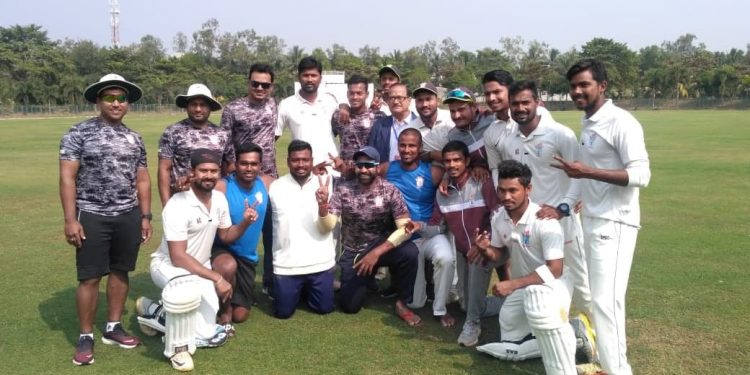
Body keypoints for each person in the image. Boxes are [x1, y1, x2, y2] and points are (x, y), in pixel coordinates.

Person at [553, 58, 651, 375]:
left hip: (616, 222)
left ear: (602, 86)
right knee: (602, 302)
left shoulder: (621, 122)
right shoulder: (589, 122)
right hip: (593, 220)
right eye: (573, 86)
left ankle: (618, 370)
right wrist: (564, 207)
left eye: (584, 84)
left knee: (606, 304)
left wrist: (587, 170)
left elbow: (641, 175)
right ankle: (612, 367)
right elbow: (581, 179)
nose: (577, 91)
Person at [136, 149, 261, 371]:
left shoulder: (219, 199)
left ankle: (155, 314)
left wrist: (244, 223)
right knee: (186, 295)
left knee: (206, 329)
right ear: (192, 172)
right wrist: (217, 278)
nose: (209, 176)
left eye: (213, 171)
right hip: (169, 267)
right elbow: (178, 256)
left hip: (199, 269)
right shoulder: (177, 204)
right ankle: (177, 350)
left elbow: (225, 235)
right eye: (203, 170)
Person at [59, 73, 152, 366]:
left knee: (121, 271)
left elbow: (143, 180)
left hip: (127, 214)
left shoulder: (134, 138)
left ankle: (113, 327)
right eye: (109, 97)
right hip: (92, 214)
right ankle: (86, 335)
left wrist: (146, 216)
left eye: (121, 98)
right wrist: (70, 219)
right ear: (98, 100)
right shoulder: (78, 133)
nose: (116, 103)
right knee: (89, 277)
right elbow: (67, 177)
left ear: (128, 104)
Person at [500, 80, 593, 322]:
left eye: (525, 102)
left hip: (561, 221)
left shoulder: (561, 134)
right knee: (535, 278)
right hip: (530, 225)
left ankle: (594, 335)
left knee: (580, 280)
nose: (520, 108)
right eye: (515, 103)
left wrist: (563, 208)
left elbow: (579, 176)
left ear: (537, 103)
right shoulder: (509, 141)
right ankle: (539, 329)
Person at [473, 160, 578, 375]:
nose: (506, 197)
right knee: (509, 327)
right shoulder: (499, 217)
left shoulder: (545, 221)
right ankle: (573, 335)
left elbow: (555, 269)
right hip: (523, 286)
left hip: (554, 285)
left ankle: (562, 346)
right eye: (502, 190)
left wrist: (513, 283)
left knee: (537, 300)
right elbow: (500, 253)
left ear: (528, 189)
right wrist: (485, 250)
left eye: (513, 190)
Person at [322, 146, 421, 326]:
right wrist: (322, 207)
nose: (364, 170)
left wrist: (375, 253)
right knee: (349, 307)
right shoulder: (343, 190)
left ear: (377, 167)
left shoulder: (390, 190)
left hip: (381, 247)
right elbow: (329, 223)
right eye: (360, 166)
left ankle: (402, 301)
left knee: (410, 252)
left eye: (369, 165)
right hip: (354, 250)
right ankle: (364, 280)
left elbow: (405, 228)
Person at [424, 140, 501, 346]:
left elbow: (499, 216)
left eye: (457, 160)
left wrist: (485, 243)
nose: (452, 165)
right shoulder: (443, 192)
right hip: (463, 251)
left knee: (472, 308)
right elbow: (436, 226)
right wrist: (416, 227)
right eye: (447, 161)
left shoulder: (482, 182)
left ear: (467, 161)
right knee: (467, 304)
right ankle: (512, 304)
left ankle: (472, 324)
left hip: (487, 249)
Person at [383, 129, 455, 327]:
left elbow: (456, 168)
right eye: (403, 145)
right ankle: (409, 297)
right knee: (415, 302)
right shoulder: (388, 168)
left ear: (420, 148)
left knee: (446, 258)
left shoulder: (432, 171)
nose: (407, 149)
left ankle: (440, 309)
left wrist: (447, 177)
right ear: (397, 147)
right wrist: (345, 167)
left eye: (412, 145)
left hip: (430, 232)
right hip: (406, 237)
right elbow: (365, 171)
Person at [221, 63, 278, 297]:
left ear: (271, 87)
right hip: (240, 180)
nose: (260, 88)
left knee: (272, 232)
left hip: (268, 180)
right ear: (248, 83)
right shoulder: (233, 109)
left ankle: (270, 281)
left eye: (265, 85)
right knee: (239, 228)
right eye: (255, 83)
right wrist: (233, 171)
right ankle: (230, 275)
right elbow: (223, 143)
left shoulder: (275, 106)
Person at [268, 140, 336, 319]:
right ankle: (297, 290)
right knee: (283, 313)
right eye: (296, 160)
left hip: (321, 263)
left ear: (312, 160)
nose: (301, 165)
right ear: (288, 161)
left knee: (324, 308)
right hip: (287, 265)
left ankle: (308, 289)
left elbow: (329, 225)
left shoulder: (326, 185)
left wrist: (323, 205)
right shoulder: (276, 187)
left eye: (305, 160)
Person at [210, 143, 273, 331]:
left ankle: (239, 295)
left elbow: (296, 182)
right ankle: (224, 312)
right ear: (235, 165)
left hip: (247, 256)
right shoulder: (222, 186)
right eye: (244, 163)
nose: (249, 168)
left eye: (254, 164)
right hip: (221, 249)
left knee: (241, 316)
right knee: (228, 266)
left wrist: (316, 172)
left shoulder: (267, 184)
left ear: (260, 165)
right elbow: (198, 193)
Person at [158, 83, 233, 206]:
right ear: (187, 106)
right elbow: (164, 169)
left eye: (203, 105)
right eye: (194, 104)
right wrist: (166, 205)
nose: (198, 109)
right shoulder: (172, 132)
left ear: (210, 107)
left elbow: (228, 170)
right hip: (181, 200)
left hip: (213, 201)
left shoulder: (222, 134)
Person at [276, 56, 339, 169]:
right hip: (303, 170)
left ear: (320, 78)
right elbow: (273, 136)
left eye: (314, 75)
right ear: (298, 77)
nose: (310, 79)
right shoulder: (287, 104)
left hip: (331, 168)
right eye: (305, 75)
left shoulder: (330, 101)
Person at [423, 87, 493, 179]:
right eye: (452, 111)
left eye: (461, 109)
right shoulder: (453, 136)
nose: (456, 116)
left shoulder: (491, 120)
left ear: (474, 107)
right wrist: (446, 179)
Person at [331, 74, 384, 162]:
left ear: (367, 94)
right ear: (347, 94)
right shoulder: (338, 116)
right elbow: (327, 138)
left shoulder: (378, 117)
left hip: (369, 170)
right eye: (352, 93)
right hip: (346, 172)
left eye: (359, 93)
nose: (355, 97)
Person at [367, 83, 417, 163]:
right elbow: (371, 153)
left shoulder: (419, 124)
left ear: (409, 100)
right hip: (385, 174)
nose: (396, 101)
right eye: (392, 98)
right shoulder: (379, 125)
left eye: (400, 98)